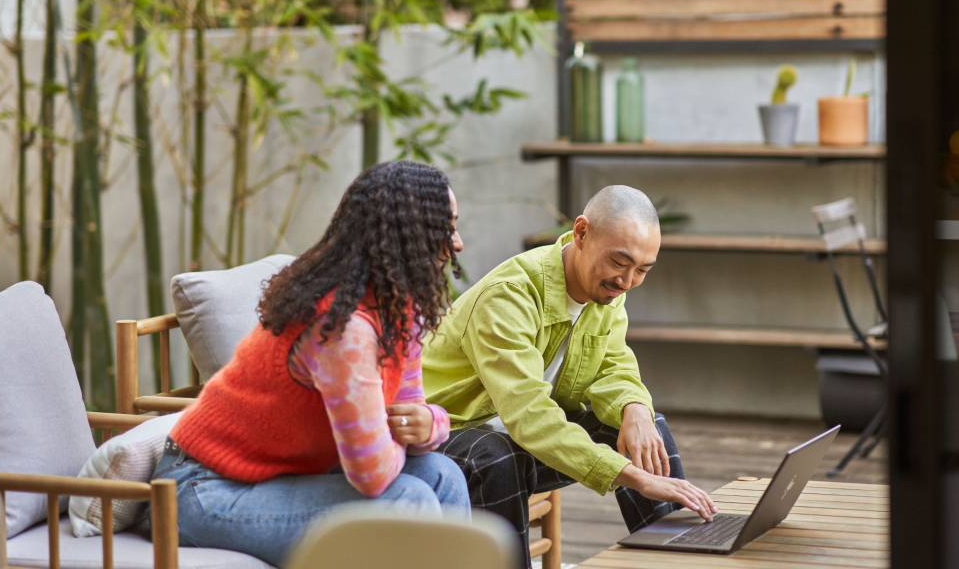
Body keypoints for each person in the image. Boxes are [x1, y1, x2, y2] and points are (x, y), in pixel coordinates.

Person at [154, 161, 470, 567]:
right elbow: (372, 473)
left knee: (443, 476)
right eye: (445, 228)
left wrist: (432, 423)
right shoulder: (342, 329)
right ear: (404, 237)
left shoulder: (399, 306)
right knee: (408, 500)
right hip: (203, 489)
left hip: (285, 477)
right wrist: (393, 430)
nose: (457, 242)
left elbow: (409, 420)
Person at [422, 185, 717, 567]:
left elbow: (615, 363)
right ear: (581, 233)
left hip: (516, 438)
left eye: (642, 270)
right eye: (620, 263)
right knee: (497, 457)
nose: (627, 281)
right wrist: (628, 474)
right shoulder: (508, 296)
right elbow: (529, 415)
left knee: (647, 427)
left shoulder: (607, 289)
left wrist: (635, 409)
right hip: (443, 432)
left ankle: (678, 558)